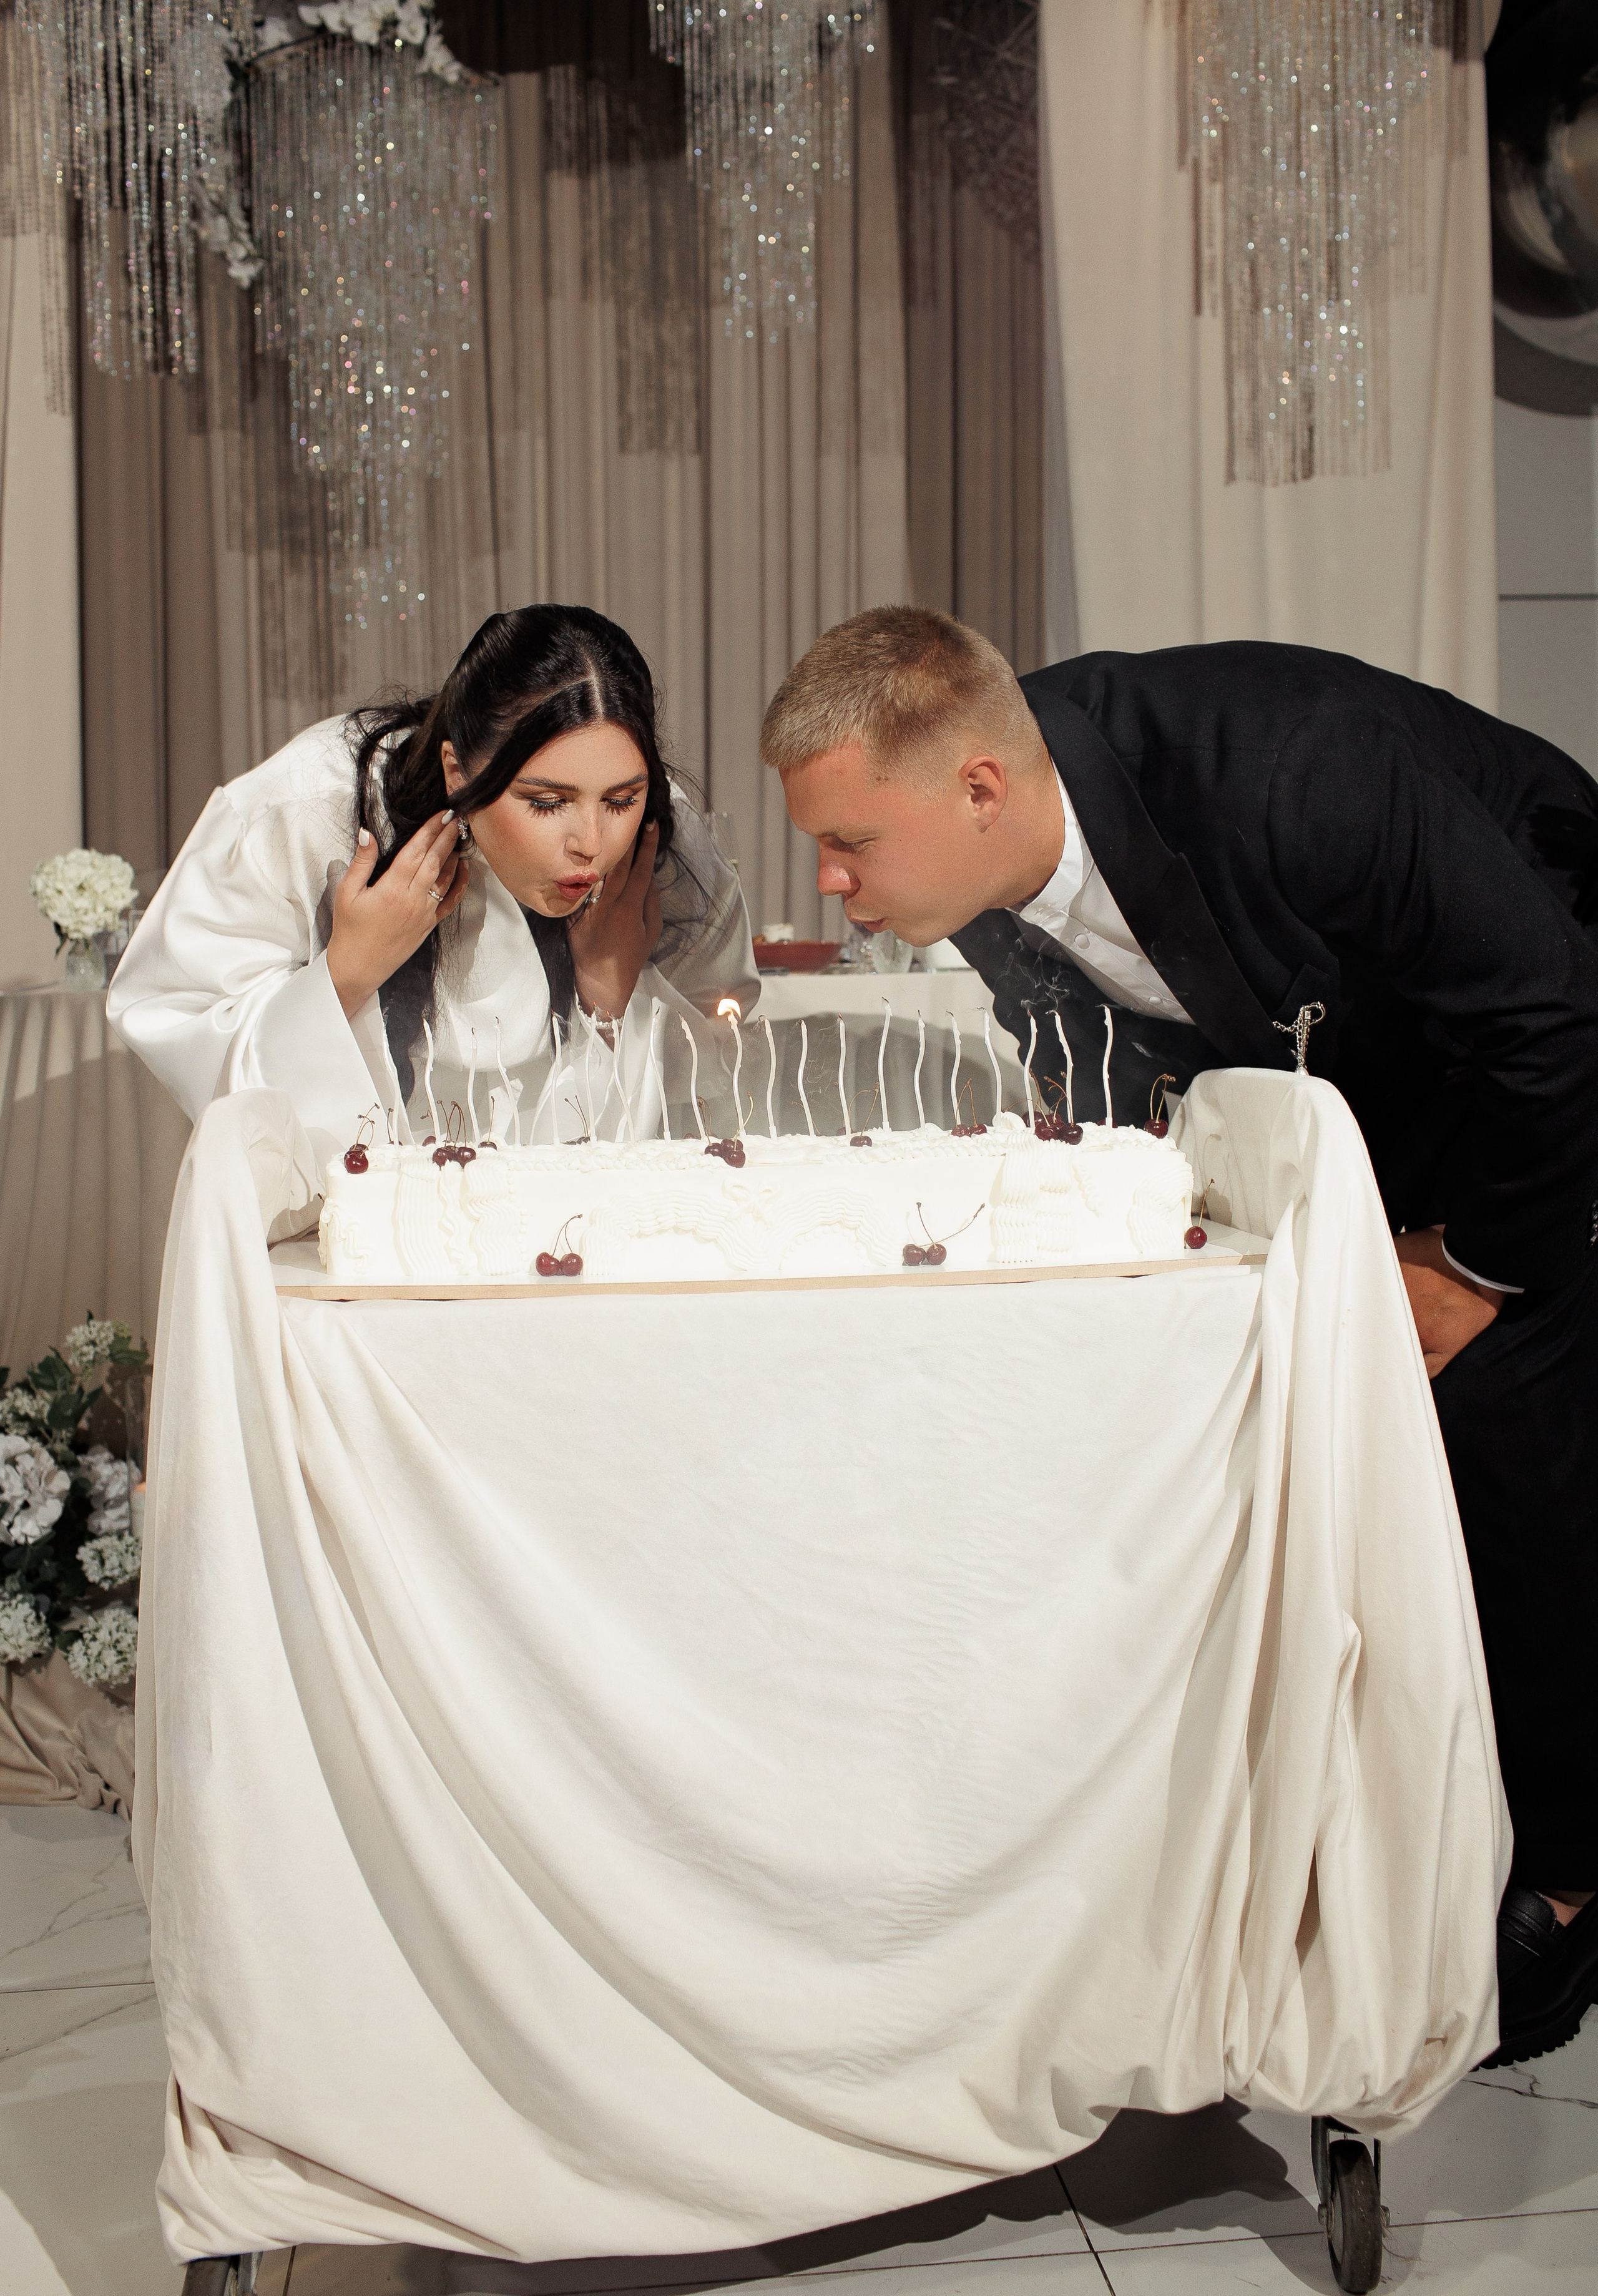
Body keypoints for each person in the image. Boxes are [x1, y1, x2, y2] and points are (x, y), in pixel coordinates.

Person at [762, 602, 1598, 2069]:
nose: (828, 884)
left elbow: (1546, 1010)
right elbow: (1115, 1066)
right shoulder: (983, 862)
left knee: (1504, 1445)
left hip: (1544, 1046)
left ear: (974, 790)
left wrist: (1469, 1267)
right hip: (1369, 1075)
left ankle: (1572, 1879)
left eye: (849, 844)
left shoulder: (1292, 771)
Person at [111, 605, 757, 1166]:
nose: (591, 842)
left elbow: (721, 1065)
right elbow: (176, 1022)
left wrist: (613, 1000)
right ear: (455, 770)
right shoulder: (305, 811)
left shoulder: (657, 839)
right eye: (545, 802)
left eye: (620, 799)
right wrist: (347, 974)